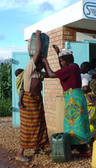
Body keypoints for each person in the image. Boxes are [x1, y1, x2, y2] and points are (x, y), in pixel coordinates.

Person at [42, 45, 91, 156]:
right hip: (76, 98)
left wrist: (45, 62)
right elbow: (61, 68)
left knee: (74, 124)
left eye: (61, 61)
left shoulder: (69, 69)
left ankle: (84, 150)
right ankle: (80, 147)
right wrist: (58, 53)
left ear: (65, 60)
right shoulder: (75, 66)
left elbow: (51, 74)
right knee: (76, 124)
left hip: (73, 99)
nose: (61, 63)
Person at [15, 30, 50, 162]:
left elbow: (50, 74)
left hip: (36, 102)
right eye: (40, 64)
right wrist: (38, 34)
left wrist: (46, 63)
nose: (41, 66)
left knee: (39, 124)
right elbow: (37, 51)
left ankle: (37, 147)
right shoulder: (30, 68)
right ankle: (20, 153)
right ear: (36, 63)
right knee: (28, 127)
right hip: (29, 103)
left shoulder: (38, 74)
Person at [80, 62, 96, 148]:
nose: (80, 69)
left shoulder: (84, 76)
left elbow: (85, 88)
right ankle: (92, 140)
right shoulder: (91, 76)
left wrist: (79, 90)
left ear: (86, 69)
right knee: (93, 120)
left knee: (88, 121)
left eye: (82, 67)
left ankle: (88, 143)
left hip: (88, 102)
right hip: (94, 101)